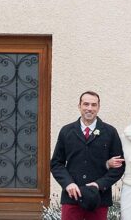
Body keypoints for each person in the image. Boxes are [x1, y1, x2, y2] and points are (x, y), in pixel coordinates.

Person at [51, 91, 126, 220]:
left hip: (99, 199)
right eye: (86, 104)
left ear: (98, 107)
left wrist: (99, 185)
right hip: (71, 198)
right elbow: (56, 164)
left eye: (93, 105)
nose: (89, 108)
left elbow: (119, 167)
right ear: (79, 106)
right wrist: (68, 184)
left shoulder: (110, 132)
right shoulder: (66, 131)